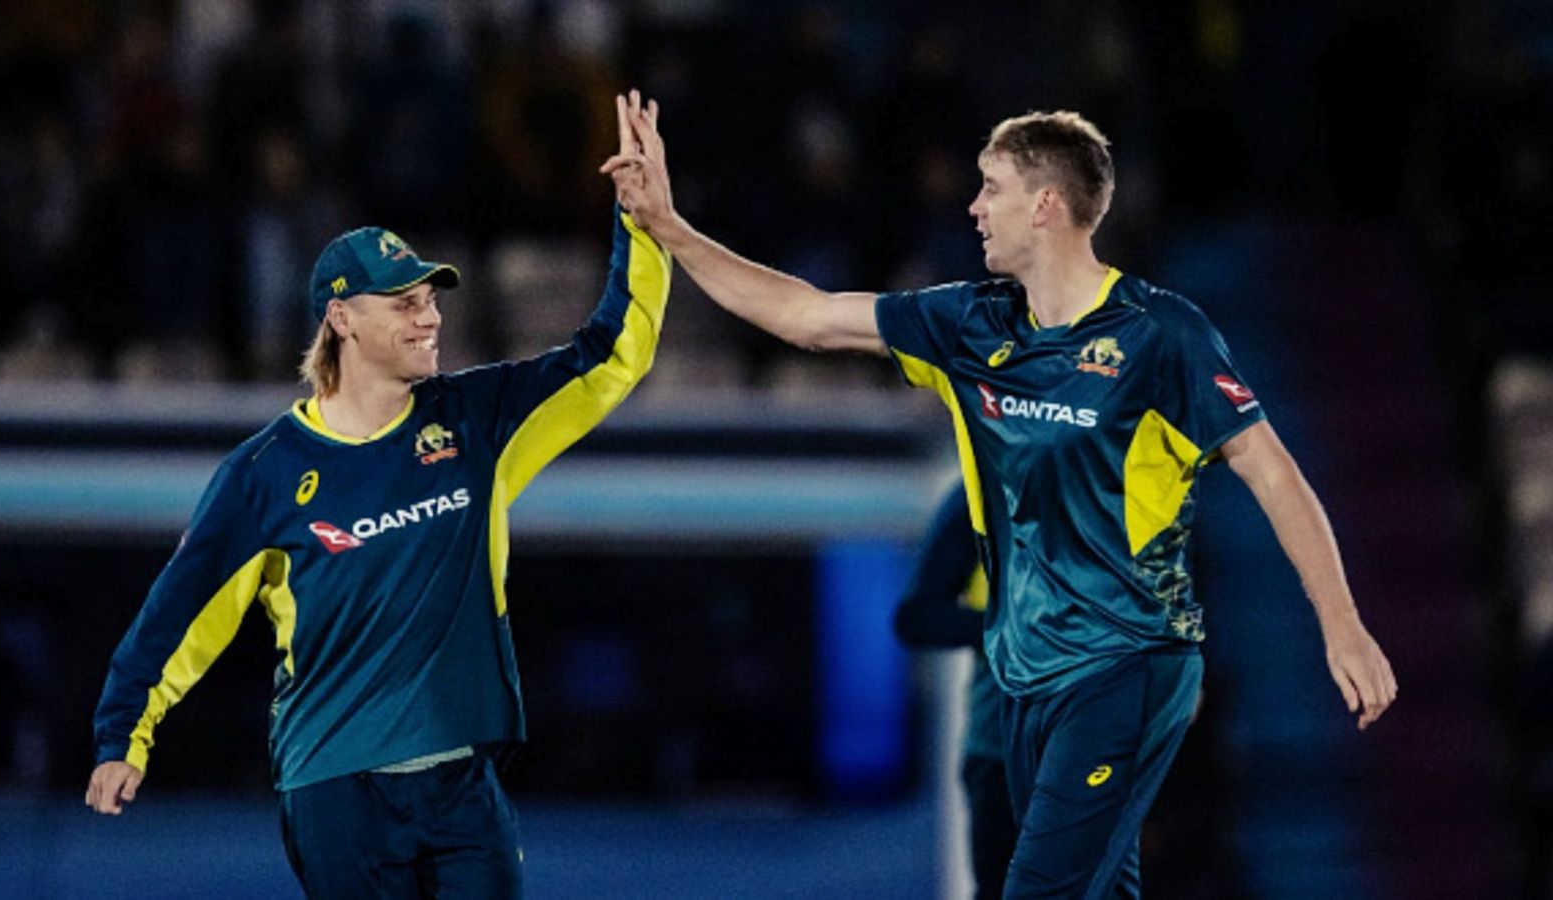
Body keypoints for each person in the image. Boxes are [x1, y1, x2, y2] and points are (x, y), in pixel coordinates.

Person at [602, 90, 1396, 898]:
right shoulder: (968, 324)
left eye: (992, 188)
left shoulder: (1162, 335)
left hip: (1128, 665)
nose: (973, 207)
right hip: (1025, 678)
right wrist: (670, 227)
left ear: (1045, 205)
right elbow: (808, 316)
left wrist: (1343, 627)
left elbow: (1272, 471)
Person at [84, 114, 672, 897]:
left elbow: (613, 355)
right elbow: (181, 612)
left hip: (462, 784)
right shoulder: (264, 474)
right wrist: (125, 733)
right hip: (335, 790)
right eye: (402, 303)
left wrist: (640, 223)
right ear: (341, 319)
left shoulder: (479, 422)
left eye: (429, 299)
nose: (429, 316)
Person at [893, 484, 1014, 899]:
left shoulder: (1121, 481)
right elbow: (917, 616)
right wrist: (1018, 629)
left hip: (1106, 738)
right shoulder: (984, 491)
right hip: (1002, 742)